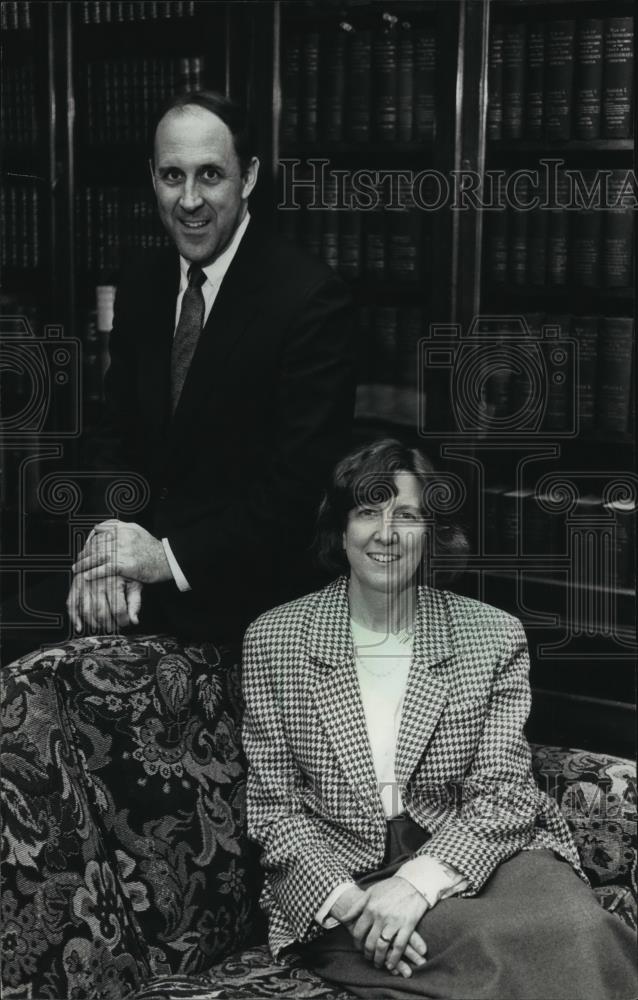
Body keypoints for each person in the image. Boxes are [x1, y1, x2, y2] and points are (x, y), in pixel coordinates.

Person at [242, 438, 637, 1000]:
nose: (386, 533)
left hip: (481, 853)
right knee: (497, 952)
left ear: (431, 533)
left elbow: (505, 793)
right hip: (348, 877)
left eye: (406, 515)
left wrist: (417, 883)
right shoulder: (276, 640)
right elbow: (273, 810)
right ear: (340, 528)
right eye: (367, 512)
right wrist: (357, 906)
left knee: (583, 928)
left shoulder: (491, 635)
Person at [52, 90, 353, 649]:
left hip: (251, 615)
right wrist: (109, 551)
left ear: (250, 177)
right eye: (172, 176)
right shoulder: (142, 282)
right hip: (135, 597)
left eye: (210, 174)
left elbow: (298, 489)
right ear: (152, 177)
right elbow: (113, 436)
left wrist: (161, 560)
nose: (189, 200)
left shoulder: (310, 298)